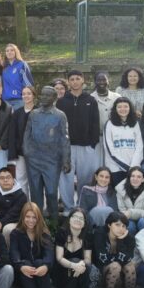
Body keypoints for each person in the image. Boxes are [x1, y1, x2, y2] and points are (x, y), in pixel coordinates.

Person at [23, 85, 71, 217]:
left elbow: (64, 138)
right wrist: (27, 152)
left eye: (47, 95)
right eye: (42, 94)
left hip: (52, 159)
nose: (43, 97)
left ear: (54, 98)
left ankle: (54, 222)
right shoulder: (34, 114)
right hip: (34, 159)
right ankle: (37, 222)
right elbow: (27, 134)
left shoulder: (60, 115)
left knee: (51, 192)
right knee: (36, 193)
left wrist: (66, 159)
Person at [57, 70, 101, 208]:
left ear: (83, 81)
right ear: (68, 82)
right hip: (67, 147)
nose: (75, 81)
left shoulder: (91, 100)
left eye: (77, 78)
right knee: (65, 179)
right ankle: (68, 207)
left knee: (86, 178)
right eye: (72, 79)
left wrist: (92, 143)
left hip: (86, 146)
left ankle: (83, 207)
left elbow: (95, 123)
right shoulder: (61, 101)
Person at [9, 203, 55, 288]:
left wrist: (45, 266)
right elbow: (14, 253)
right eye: (28, 217)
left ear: (38, 218)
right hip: (23, 275)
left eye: (34, 217)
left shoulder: (44, 233)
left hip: (41, 274)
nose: (31, 220)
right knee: (25, 262)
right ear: (23, 217)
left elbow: (49, 254)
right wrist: (21, 266)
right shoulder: (16, 233)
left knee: (40, 262)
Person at [93, 211, 143, 288]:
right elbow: (102, 259)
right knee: (116, 266)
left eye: (124, 226)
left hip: (120, 274)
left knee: (130, 266)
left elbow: (128, 258)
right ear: (109, 225)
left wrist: (121, 241)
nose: (121, 228)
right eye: (117, 225)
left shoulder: (129, 238)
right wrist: (118, 260)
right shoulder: (99, 233)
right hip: (101, 271)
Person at [52, 207, 92, 288]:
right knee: (75, 261)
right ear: (69, 219)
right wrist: (74, 265)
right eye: (75, 217)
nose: (78, 220)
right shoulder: (62, 233)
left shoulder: (87, 236)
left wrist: (81, 264)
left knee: (85, 266)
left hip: (80, 270)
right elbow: (59, 258)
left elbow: (88, 258)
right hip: (61, 269)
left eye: (81, 218)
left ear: (84, 223)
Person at [103, 97, 143, 188]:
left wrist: (133, 166)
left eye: (126, 106)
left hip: (133, 166)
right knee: (119, 194)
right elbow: (109, 149)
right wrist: (126, 167)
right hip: (116, 168)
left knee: (133, 194)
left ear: (130, 108)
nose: (123, 109)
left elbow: (139, 146)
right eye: (119, 107)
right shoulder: (109, 124)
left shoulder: (135, 123)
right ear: (115, 109)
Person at [0, 166, 27, 245]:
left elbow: (13, 213)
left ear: (13, 179)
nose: (5, 180)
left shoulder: (21, 195)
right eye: (2, 178)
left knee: (7, 229)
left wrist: (0, 223)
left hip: (12, 222)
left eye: (8, 177)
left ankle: (7, 253)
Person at [7, 85, 36, 196]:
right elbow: (12, 134)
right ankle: (24, 204)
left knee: (34, 180)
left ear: (34, 95)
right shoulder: (17, 113)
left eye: (29, 93)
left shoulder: (39, 111)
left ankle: (36, 206)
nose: (26, 96)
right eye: (24, 94)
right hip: (20, 153)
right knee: (21, 179)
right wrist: (13, 152)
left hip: (35, 154)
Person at [116, 166, 144, 235]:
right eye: (133, 176)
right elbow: (122, 210)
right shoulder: (120, 190)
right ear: (129, 178)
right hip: (128, 218)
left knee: (143, 222)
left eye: (139, 177)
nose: (135, 179)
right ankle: (131, 244)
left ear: (143, 179)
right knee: (129, 226)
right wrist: (128, 214)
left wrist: (131, 212)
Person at [91, 72, 120, 165]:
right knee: (98, 165)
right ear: (95, 82)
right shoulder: (90, 98)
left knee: (113, 164)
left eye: (104, 79)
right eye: (99, 80)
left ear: (108, 81)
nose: (101, 82)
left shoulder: (117, 97)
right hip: (97, 138)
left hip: (114, 137)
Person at [1, 43, 35, 110]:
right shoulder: (4, 67)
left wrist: (26, 97)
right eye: (7, 51)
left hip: (19, 100)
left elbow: (28, 83)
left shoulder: (22, 64)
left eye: (12, 50)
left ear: (16, 52)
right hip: (5, 101)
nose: (9, 52)